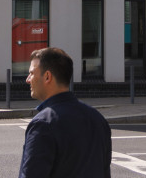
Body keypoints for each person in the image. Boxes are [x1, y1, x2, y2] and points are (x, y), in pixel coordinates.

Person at [18, 47, 111, 178]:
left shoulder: (43, 124)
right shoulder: (97, 119)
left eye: (32, 73)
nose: (28, 79)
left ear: (47, 77)